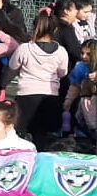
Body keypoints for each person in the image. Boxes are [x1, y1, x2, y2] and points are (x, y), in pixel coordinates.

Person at [9, 13, 69, 145]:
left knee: (21, 135)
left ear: (34, 27)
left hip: (26, 95)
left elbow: (12, 65)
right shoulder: (61, 51)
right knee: (45, 136)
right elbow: (63, 73)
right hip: (50, 95)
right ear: (55, 30)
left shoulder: (24, 48)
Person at [62, 39, 97, 140]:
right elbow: (75, 86)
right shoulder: (80, 67)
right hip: (87, 101)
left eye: (88, 54)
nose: (84, 56)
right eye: (82, 53)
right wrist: (68, 101)